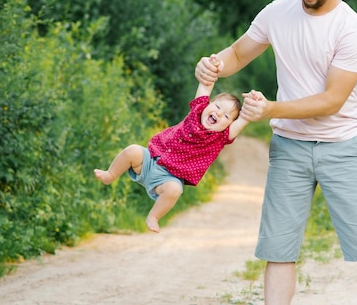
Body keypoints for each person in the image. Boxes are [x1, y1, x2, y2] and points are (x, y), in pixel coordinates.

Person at [196, 0, 357, 304]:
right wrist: (213, 65)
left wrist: (271, 109)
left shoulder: (352, 29)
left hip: (341, 148)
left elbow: (331, 100)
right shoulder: (277, 12)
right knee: (278, 249)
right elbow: (238, 55)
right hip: (289, 149)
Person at [94, 55, 250, 233]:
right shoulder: (198, 110)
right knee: (133, 150)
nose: (220, 114)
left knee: (175, 190)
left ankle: (154, 216)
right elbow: (206, 84)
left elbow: (243, 119)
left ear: (228, 125)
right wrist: (213, 67)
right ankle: (109, 175)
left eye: (227, 116)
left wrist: (251, 107)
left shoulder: (220, 137)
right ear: (209, 104)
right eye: (218, 107)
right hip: (151, 160)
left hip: (168, 178)